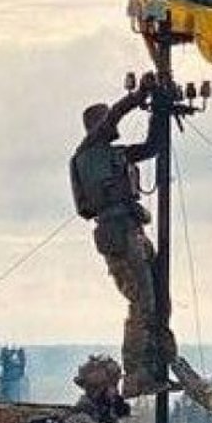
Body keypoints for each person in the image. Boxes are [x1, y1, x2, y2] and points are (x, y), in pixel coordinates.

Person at [70, 73, 176, 398]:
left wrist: (160, 109)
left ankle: (159, 364)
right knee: (142, 303)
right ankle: (135, 375)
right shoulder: (88, 151)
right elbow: (114, 117)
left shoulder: (114, 154)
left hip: (132, 230)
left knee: (158, 299)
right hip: (117, 232)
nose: (112, 126)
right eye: (105, 121)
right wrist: (138, 96)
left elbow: (152, 147)